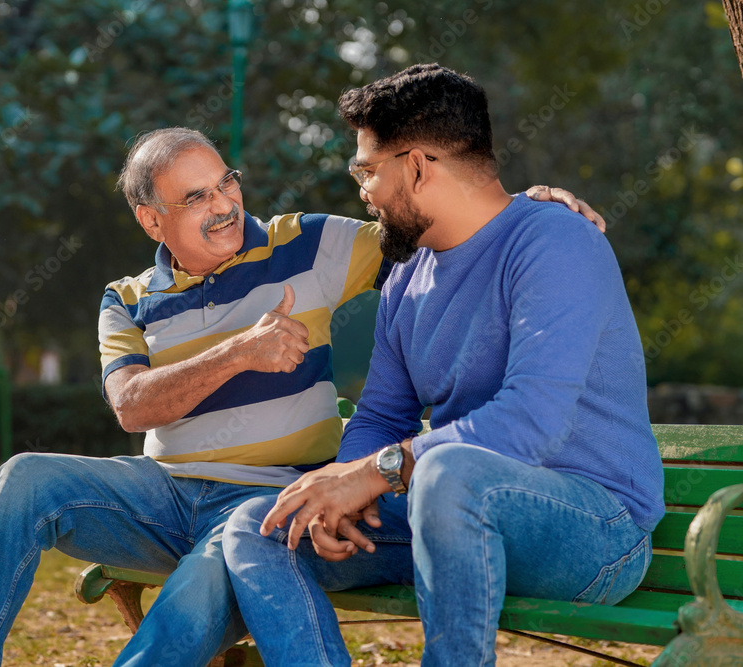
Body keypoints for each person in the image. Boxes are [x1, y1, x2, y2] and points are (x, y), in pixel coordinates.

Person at [0, 125, 603, 667]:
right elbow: (132, 406)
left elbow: (431, 226)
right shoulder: (127, 299)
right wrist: (239, 352)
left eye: (225, 184)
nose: (223, 206)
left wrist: (521, 209)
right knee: (24, 477)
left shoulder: (308, 244)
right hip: (160, 493)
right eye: (195, 198)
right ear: (150, 220)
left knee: (196, 594)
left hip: (269, 496)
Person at [222, 64, 665, 667]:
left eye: (367, 171)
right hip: (448, 508)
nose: (363, 192)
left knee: (450, 474)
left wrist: (374, 472)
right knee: (265, 525)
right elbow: (382, 411)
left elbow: (533, 421)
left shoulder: (555, 243)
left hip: (594, 528)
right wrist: (343, 487)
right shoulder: (407, 274)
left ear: (416, 166)